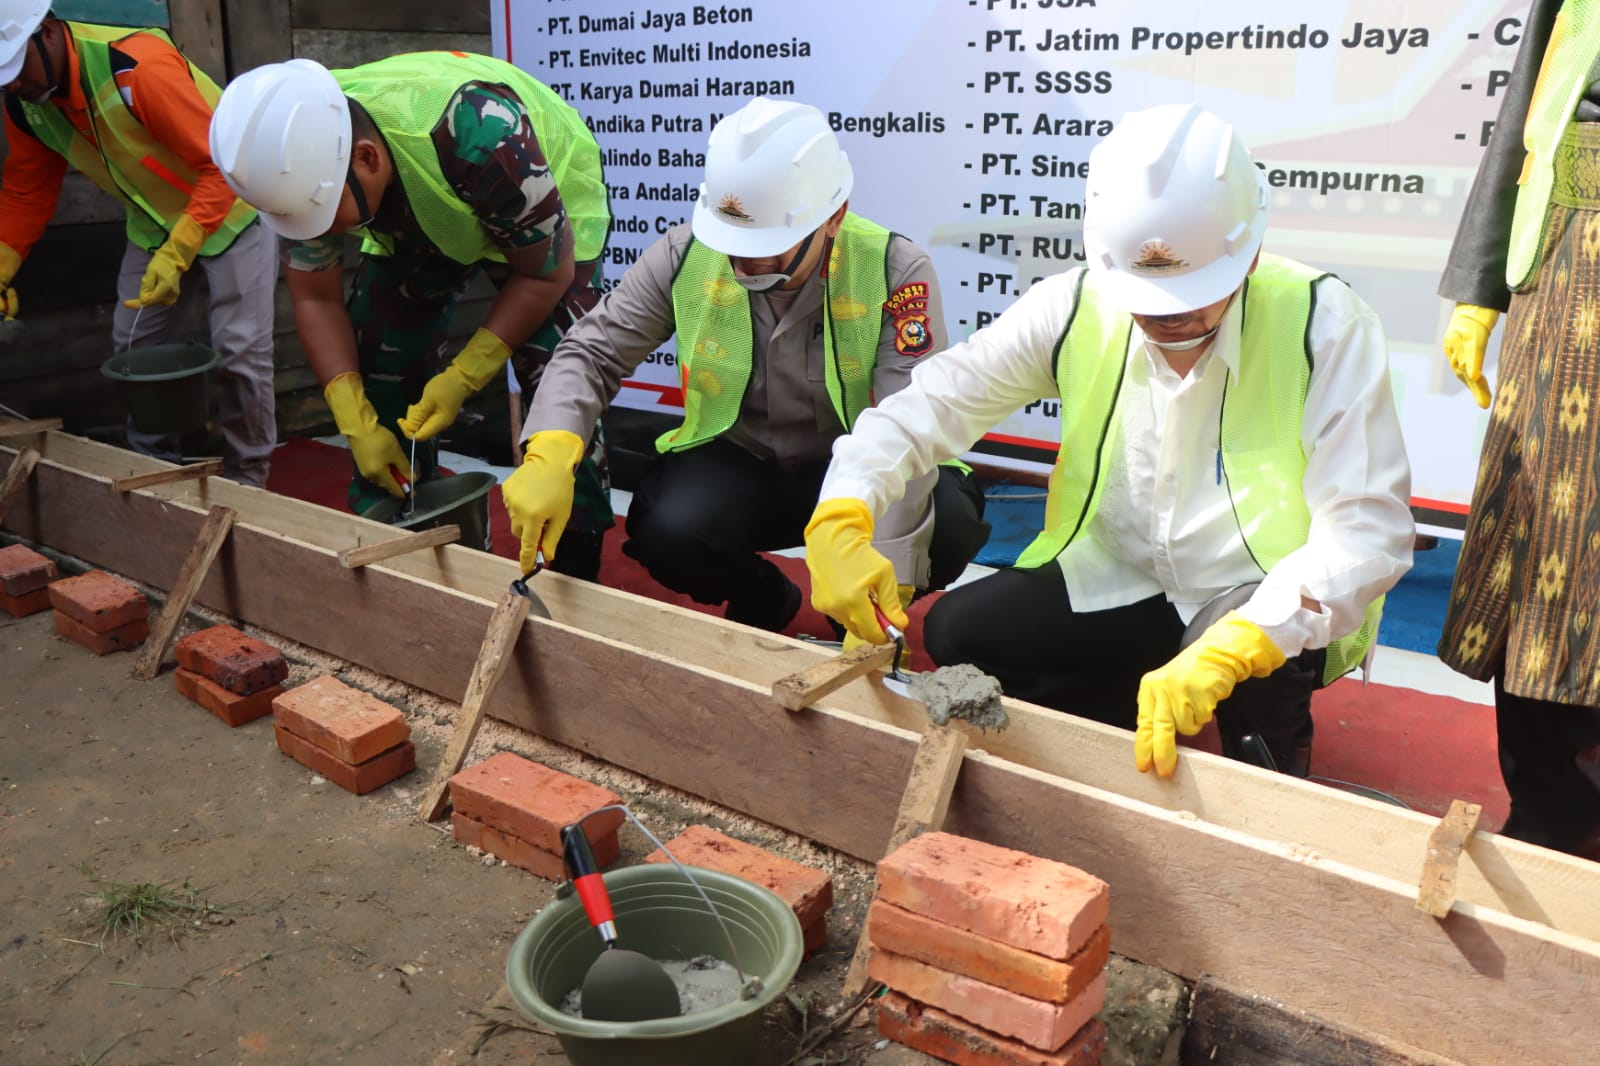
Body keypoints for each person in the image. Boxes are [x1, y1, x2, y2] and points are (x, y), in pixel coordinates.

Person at [804, 102, 1414, 778]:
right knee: (959, 632)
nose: (1169, 318)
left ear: (1252, 253)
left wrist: (1243, 641)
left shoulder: (1326, 325)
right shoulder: (1074, 305)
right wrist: (844, 510)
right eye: (1147, 300)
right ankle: (1123, 709)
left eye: (1194, 296)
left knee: (1258, 705)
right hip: (1121, 571)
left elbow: (1366, 530)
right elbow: (931, 403)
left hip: (1251, 597)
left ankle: (1268, 757)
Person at [503, 97, 990, 631]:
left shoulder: (893, 268)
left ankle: (857, 618)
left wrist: (889, 571)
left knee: (947, 520)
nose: (745, 261)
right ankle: (763, 596)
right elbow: (592, 351)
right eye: (734, 240)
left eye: (769, 245)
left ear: (834, 217)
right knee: (667, 528)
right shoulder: (686, 256)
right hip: (742, 464)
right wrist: (550, 444)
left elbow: (911, 420)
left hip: (854, 469)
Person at [208, 53, 614, 575]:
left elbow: (542, 275)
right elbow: (315, 298)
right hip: (420, 204)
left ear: (366, 158)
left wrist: (463, 378)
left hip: (537, 201)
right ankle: (403, 530)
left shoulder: (480, 129)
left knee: (559, 369)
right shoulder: (295, 159)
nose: (319, 233)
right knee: (382, 353)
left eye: (323, 216)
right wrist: (354, 417)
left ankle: (572, 559)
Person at [1436, 0, 1600, 858]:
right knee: (1535, 544)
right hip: (1567, 263)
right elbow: (1531, 105)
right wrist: (1480, 286)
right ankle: (1547, 826)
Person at [0, 3, 277, 485]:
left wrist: (179, 251)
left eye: (14, 67)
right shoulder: (25, 103)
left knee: (240, 354)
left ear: (44, 31)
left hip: (234, 211)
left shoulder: (137, 68)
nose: (12, 84)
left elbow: (224, 164)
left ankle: (248, 479)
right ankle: (155, 471)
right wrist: (1, 268)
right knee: (134, 349)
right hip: (153, 225)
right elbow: (26, 189)